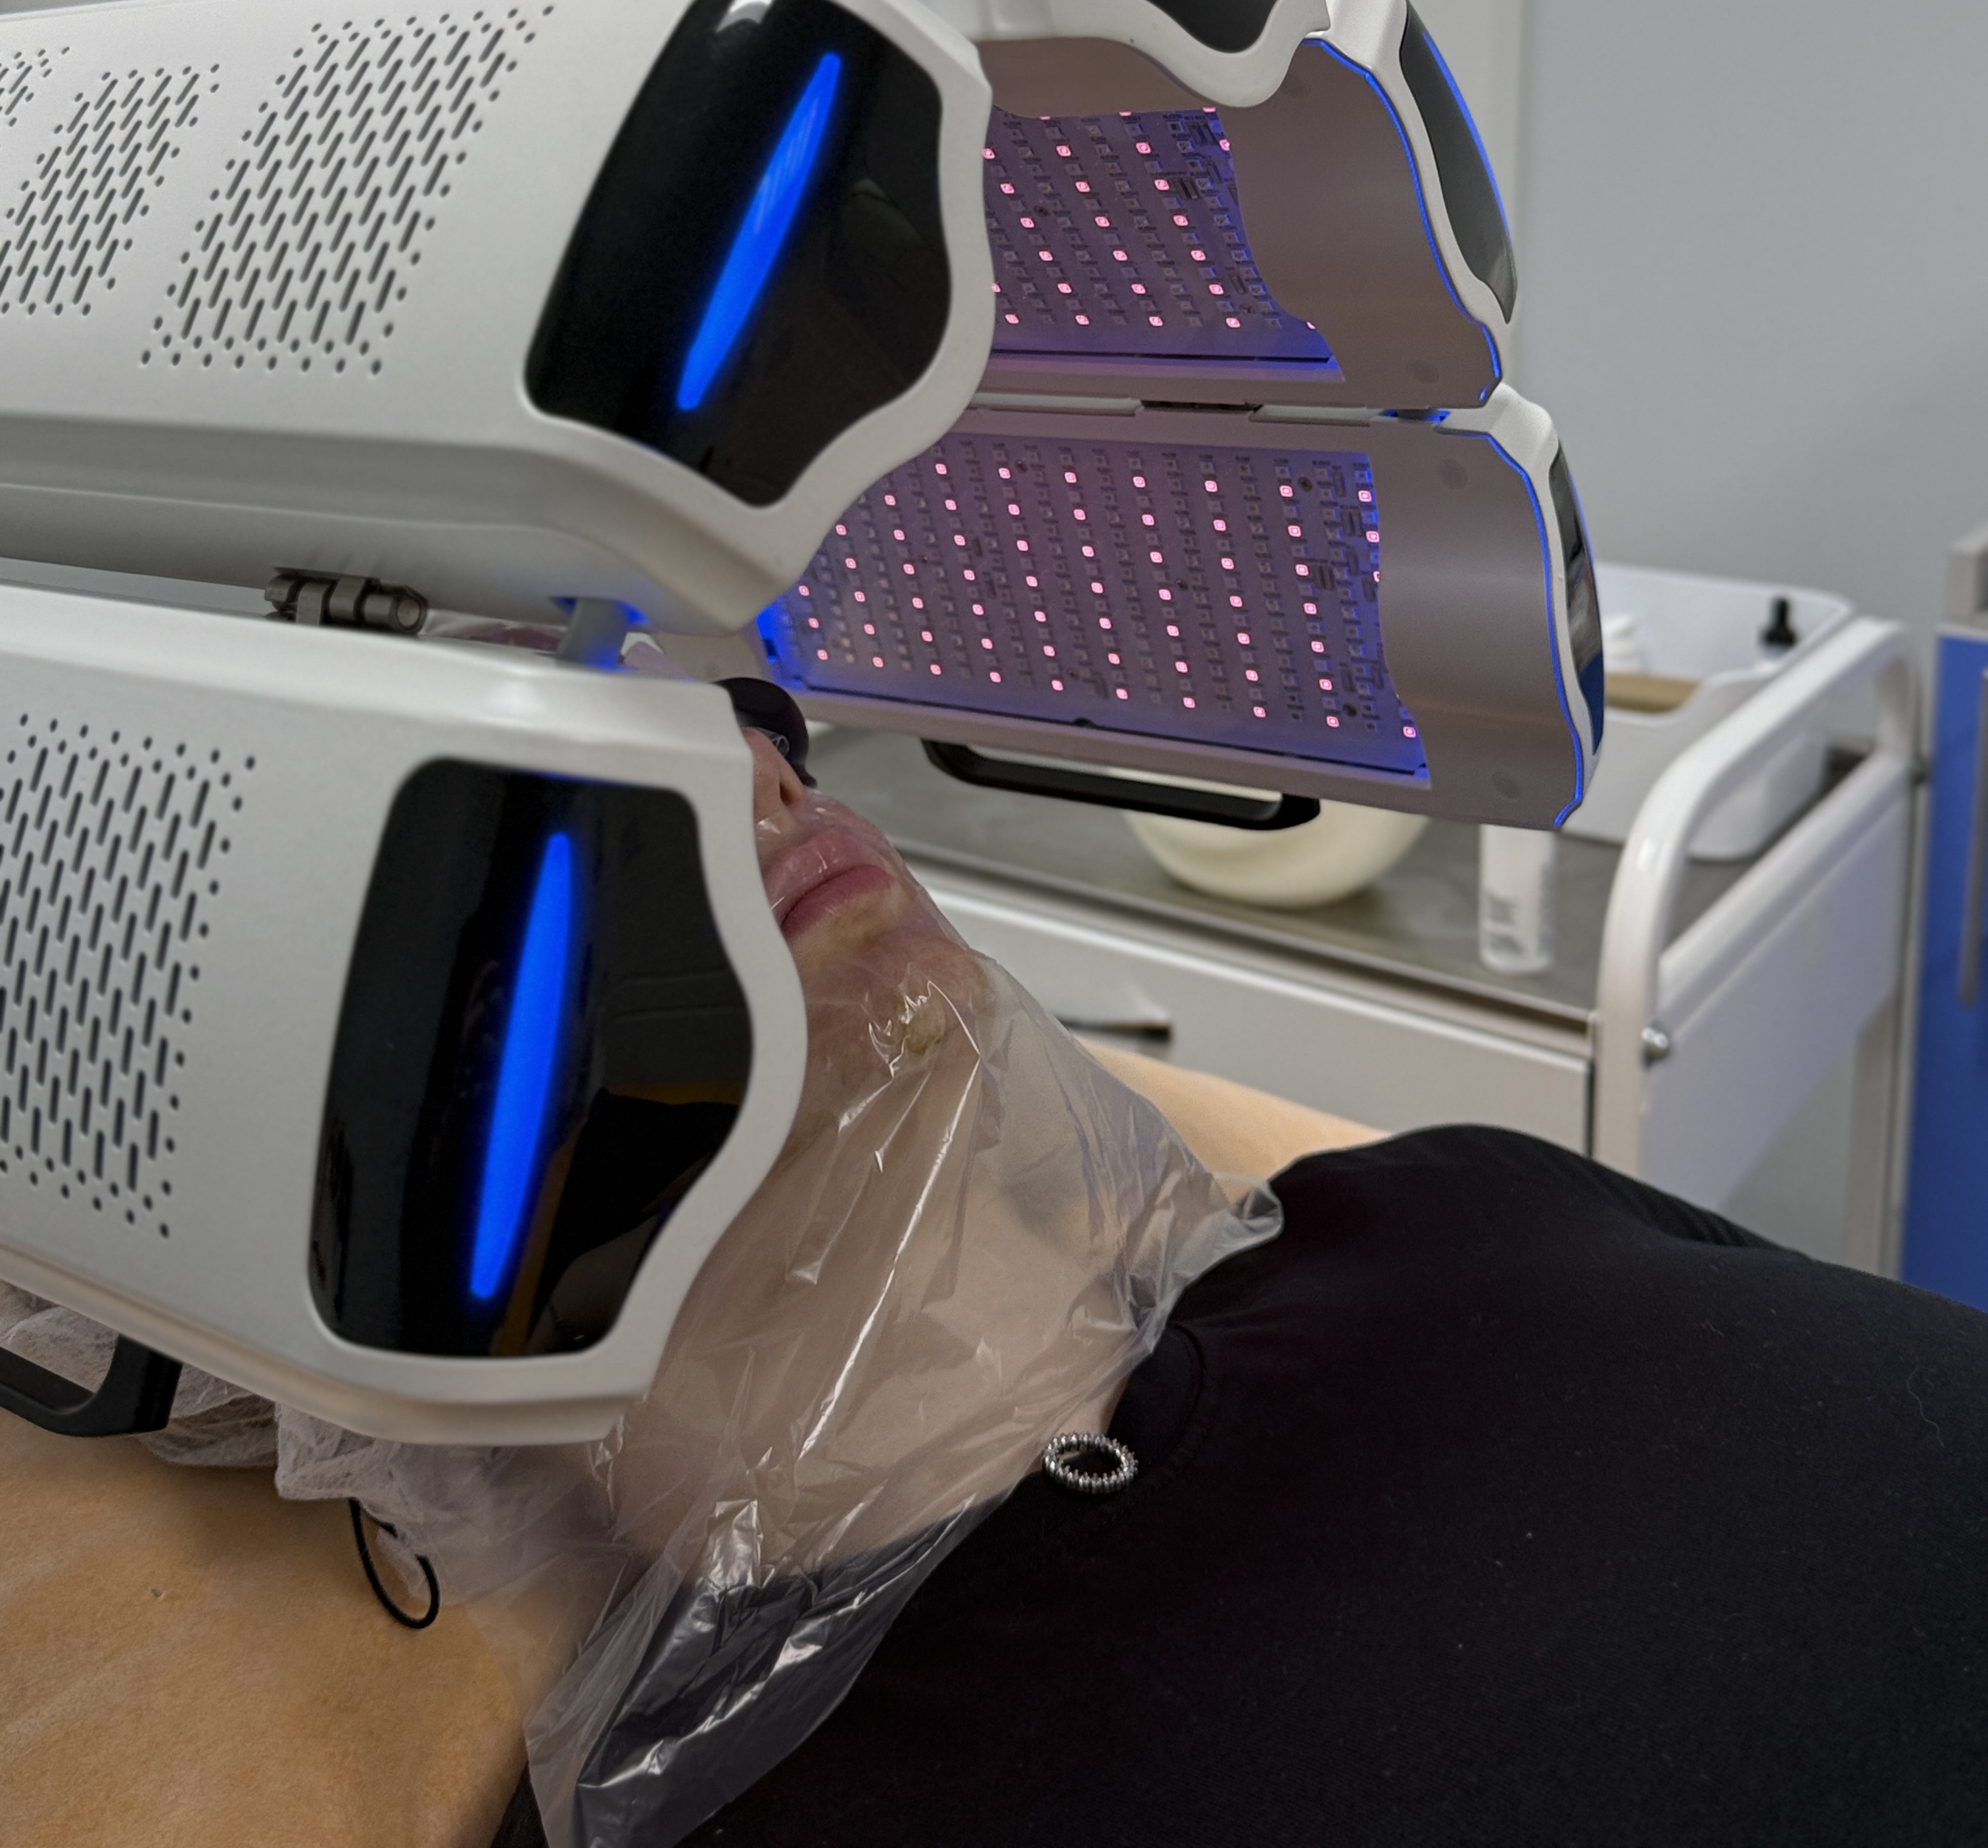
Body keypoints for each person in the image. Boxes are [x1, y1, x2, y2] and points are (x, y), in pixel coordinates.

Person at [492, 707, 1988, 1848]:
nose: (761, 763)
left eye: (739, 707)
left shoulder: (1451, 1195)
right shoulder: (719, 1793)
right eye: (532, 792)